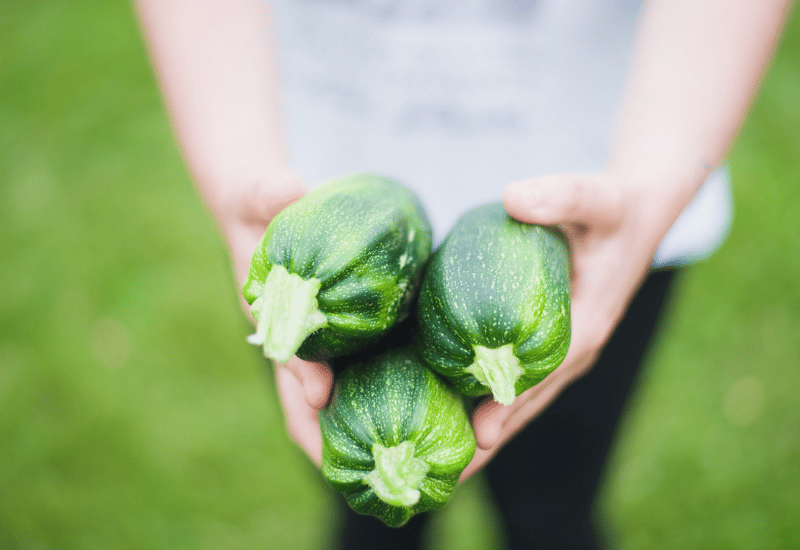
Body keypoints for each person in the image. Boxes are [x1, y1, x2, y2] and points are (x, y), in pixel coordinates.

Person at [134, 0, 792, 547]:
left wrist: (655, 187)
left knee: (553, 504)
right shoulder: (298, 262)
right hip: (320, 200)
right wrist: (236, 167)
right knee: (372, 518)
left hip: (607, 204)